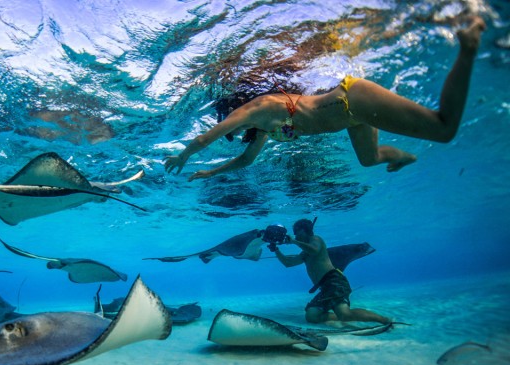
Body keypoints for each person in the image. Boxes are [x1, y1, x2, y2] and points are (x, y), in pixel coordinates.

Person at [164, 17, 486, 179]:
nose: (230, 131)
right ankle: (405, 156)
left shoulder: (257, 109)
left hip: (351, 99)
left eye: (228, 122)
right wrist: (210, 173)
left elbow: (207, 137)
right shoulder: (263, 128)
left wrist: (184, 157)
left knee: (443, 130)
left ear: (232, 110)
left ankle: (468, 46)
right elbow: (246, 160)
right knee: (369, 159)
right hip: (352, 118)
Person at [272, 219, 390, 325]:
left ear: (303, 230)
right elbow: (288, 263)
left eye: (296, 232)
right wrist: (276, 250)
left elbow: (314, 250)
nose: (295, 235)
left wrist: (294, 242)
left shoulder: (316, 239)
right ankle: (339, 317)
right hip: (324, 287)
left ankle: (384, 319)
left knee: (345, 314)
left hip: (334, 281)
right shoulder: (304, 253)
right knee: (311, 315)